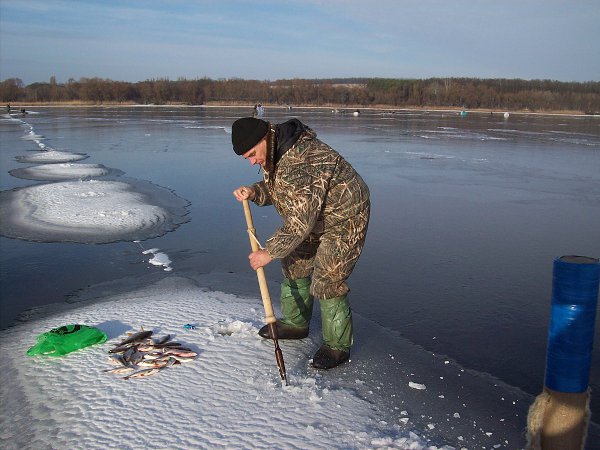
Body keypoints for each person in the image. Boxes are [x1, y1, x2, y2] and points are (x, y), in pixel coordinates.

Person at [231, 117, 370, 369]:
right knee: (294, 264)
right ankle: (296, 324)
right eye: (246, 159)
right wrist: (255, 192)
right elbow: (281, 189)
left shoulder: (302, 160)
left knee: (328, 278)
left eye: (252, 154)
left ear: (264, 138)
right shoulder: (275, 150)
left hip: (343, 216)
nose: (252, 161)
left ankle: (337, 347)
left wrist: (268, 252)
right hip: (312, 215)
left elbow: (299, 222)